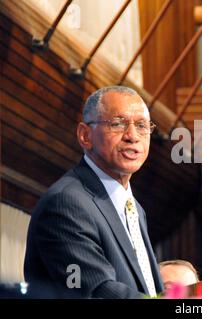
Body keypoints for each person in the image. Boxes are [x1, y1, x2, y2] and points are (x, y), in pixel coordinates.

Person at [24, 86, 163, 298]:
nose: (133, 136)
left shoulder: (134, 208)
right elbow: (95, 290)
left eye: (142, 125)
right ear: (85, 135)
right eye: (118, 124)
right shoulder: (66, 204)